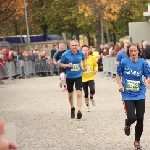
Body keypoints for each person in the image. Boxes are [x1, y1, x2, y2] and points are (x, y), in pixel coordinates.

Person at [116, 44, 150, 149]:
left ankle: (137, 140)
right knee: (132, 117)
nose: (133, 53)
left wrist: (147, 81)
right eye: (131, 51)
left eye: (135, 51)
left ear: (138, 51)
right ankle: (128, 122)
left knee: (140, 118)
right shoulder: (124, 62)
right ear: (128, 52)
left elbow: (148, 75)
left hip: (140, 93)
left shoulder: (143, 63)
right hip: (127, 95)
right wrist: (120, 85)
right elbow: (118, 74)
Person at [59, 40, 86, 119]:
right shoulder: (65, 54)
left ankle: (79, 111)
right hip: (69, 77)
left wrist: (84, 65)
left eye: (75, 45)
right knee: (70, 95)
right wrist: (67, 65)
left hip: (78, 75)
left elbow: (84, 59)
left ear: (78, 46)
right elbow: (60, 64)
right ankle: (72, 107)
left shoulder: (81, 53)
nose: (74, 47)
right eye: (73, 45)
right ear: (70, 46)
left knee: (79, 94)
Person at [81, 45, 98, 111]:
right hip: (83, 78)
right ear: (81, 51)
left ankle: (91, 97)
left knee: (92, 90)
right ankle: (87, 105)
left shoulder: (92, 58)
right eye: (84, 50)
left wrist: (95, 70)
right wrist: (82, 69)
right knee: (86, 93)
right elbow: (79, 68)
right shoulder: (80, 59)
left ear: (88, 51)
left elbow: (95, 65)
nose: (85, 52)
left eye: (86, 50)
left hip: (91, 77)